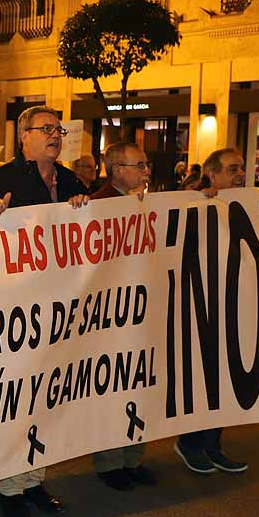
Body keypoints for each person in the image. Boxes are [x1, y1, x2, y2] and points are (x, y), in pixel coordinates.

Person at [0, 105, 90, 517]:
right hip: (15, 309)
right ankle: (9, 488)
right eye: (46, 129)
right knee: (18, 401)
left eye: (59, 129)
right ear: (24, 137)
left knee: (50, 396)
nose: (55, 135)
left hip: (60, 309)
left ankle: (36, 478)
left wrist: (81, 208)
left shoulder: (73, 181)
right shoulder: (0, 181)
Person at [174, 147, 259, 476]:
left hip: (235, 306)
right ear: (212, 174)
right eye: (232, 169)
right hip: (199, 308)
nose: (240, 174)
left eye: (242, 169)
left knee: (226, 378)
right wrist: (194, 199)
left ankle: (213, 444)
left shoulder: (250, 205)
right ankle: (191, 442)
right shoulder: (191, 202)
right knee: (202, 378)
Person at [87, 143, 159, 490]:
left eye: (146, 165)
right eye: (139, 165)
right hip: (109, 314)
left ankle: (133, 456)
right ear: (116, 169)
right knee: (112, 388)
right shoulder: (98, 205)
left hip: (140, 310)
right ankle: (110, 462)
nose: (146, 171)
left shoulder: (146, 204)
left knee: (139, 384)